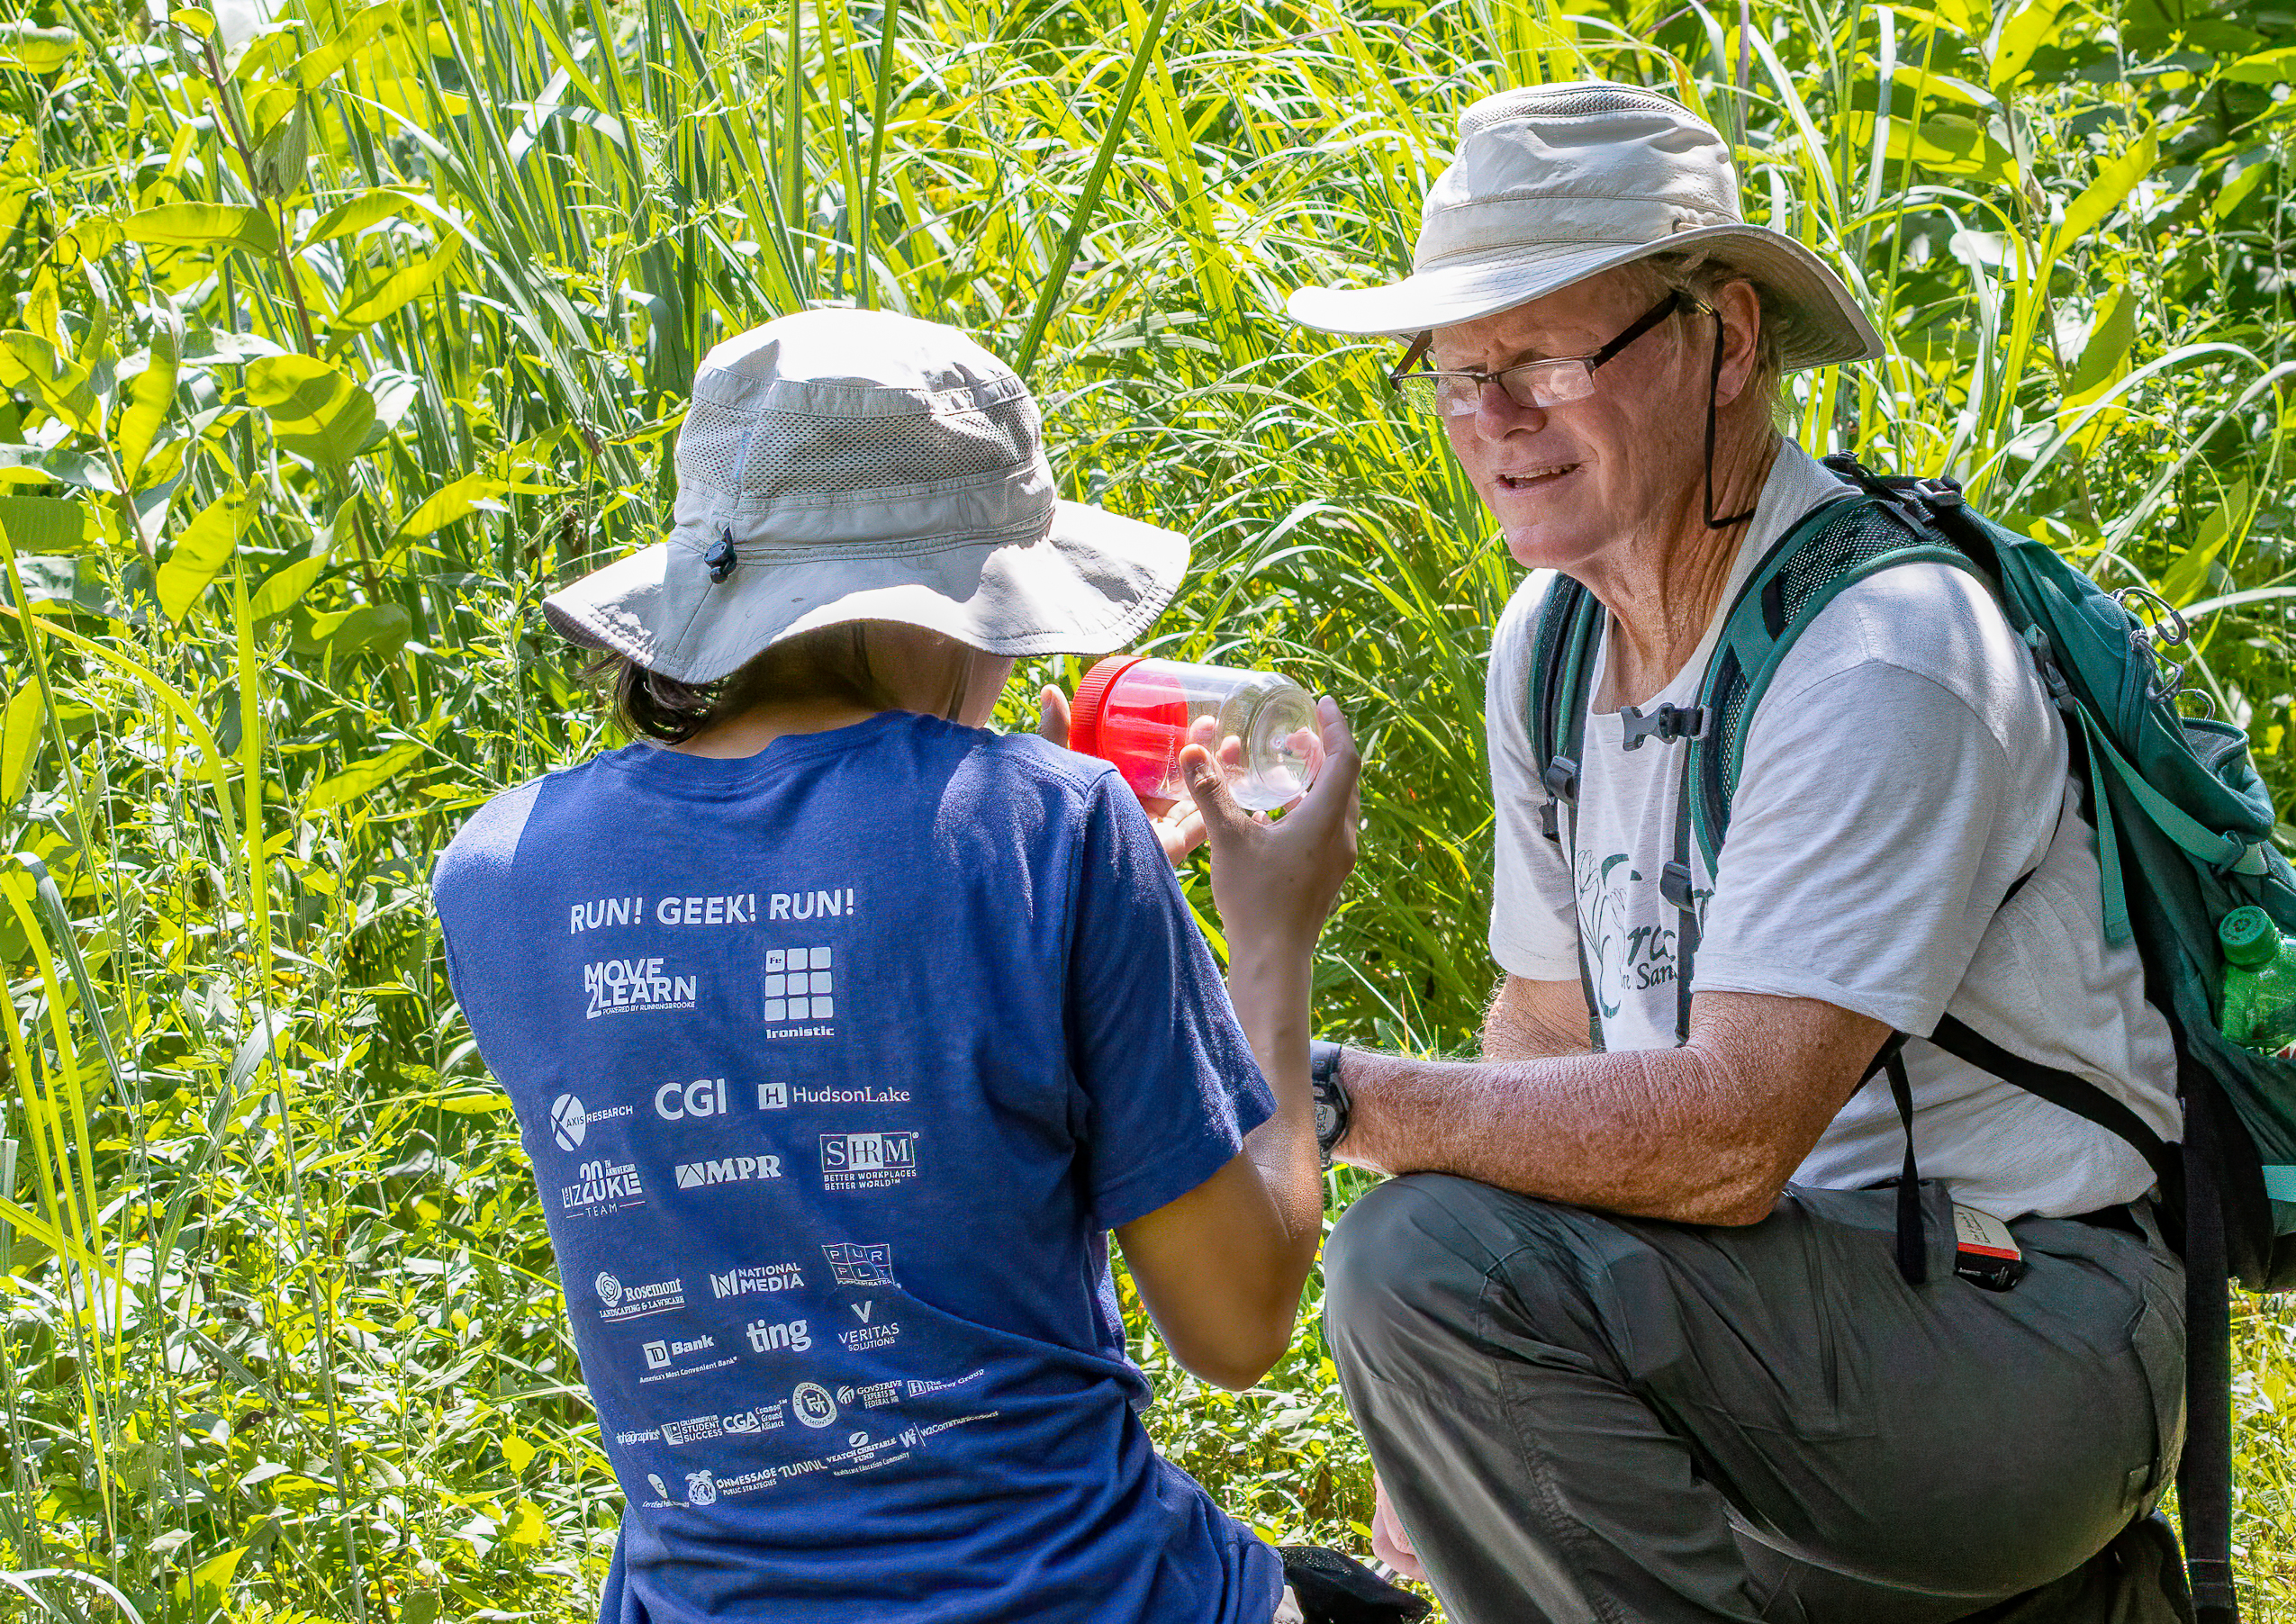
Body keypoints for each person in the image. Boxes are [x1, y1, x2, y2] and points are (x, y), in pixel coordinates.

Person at [1281, 82, 2189, 1623]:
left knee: (1415, 1254)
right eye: (1454, 370)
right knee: (1439, 1275)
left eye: (1547, 360)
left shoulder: (1882, 653)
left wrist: (1325, 1097)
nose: (1491, 420)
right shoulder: (1553, 637)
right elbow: (1547, 1027)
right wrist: (1461, 1419)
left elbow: (1727, 1135)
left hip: (2028, 1330)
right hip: (1782, 1319)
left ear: (1727, 343)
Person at [429, 308, 1365, 1624]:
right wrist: (1265, 947)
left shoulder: (499, 873)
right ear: (950, 609)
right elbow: (1237, 1325)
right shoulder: (1058, 827)